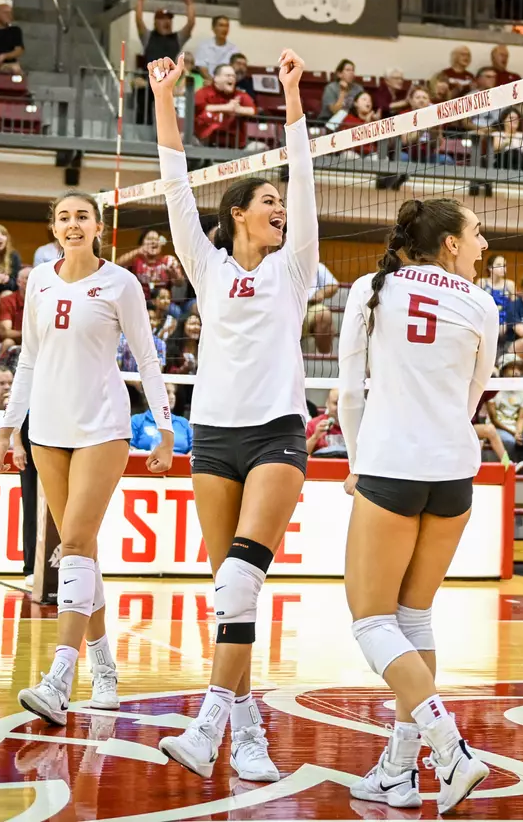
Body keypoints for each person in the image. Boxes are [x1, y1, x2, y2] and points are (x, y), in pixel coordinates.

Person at [147, 49, 315, 782]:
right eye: (266, 199)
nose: (280, 206)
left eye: (283, 199)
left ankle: (210, 720)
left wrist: (292, 96)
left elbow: (307, 183)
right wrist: (164, 97)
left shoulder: (294, 267)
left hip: (277, 432)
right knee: (231, 596)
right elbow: (176, 183)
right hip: (212, 438)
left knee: (240, 579)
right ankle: (248, 733)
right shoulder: (208, 266)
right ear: (238, 213)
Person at [335, 196, 498, 814]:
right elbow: (472, 394)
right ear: (451, 244)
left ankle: (448, 750)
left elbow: (350, 391)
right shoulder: (481, 303)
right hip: (454, 472)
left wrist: (356, 460)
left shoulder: (370, 290)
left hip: (391, 464)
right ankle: (399, 773)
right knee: (415, 617)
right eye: (478, 235)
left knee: (372, 621)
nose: (485, 245)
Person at [0, 190, 175, 711]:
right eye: (65, 218)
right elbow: (27, 359)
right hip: (46, 428)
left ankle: (59, 678)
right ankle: (106, 669)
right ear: (53, 228)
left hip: (102, 426)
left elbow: (147, 357)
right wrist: (8, 429)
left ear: (98, 226)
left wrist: (163, 430)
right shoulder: (41, 282)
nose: (73, 225)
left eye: (83, 217)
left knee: (71, 543)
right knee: (83, 550)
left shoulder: (121, 282)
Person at [487, 354, 523, 466]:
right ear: (503, 370)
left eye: (518, 369)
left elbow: (521, 417)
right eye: (512, 368)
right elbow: (493, 419)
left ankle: (521, 472)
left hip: (514, 427)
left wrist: (518, 432)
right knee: (509, 441)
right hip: (497, 427)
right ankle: (508, 469)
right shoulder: (494, 387)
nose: (516, 372)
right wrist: (512, 433)